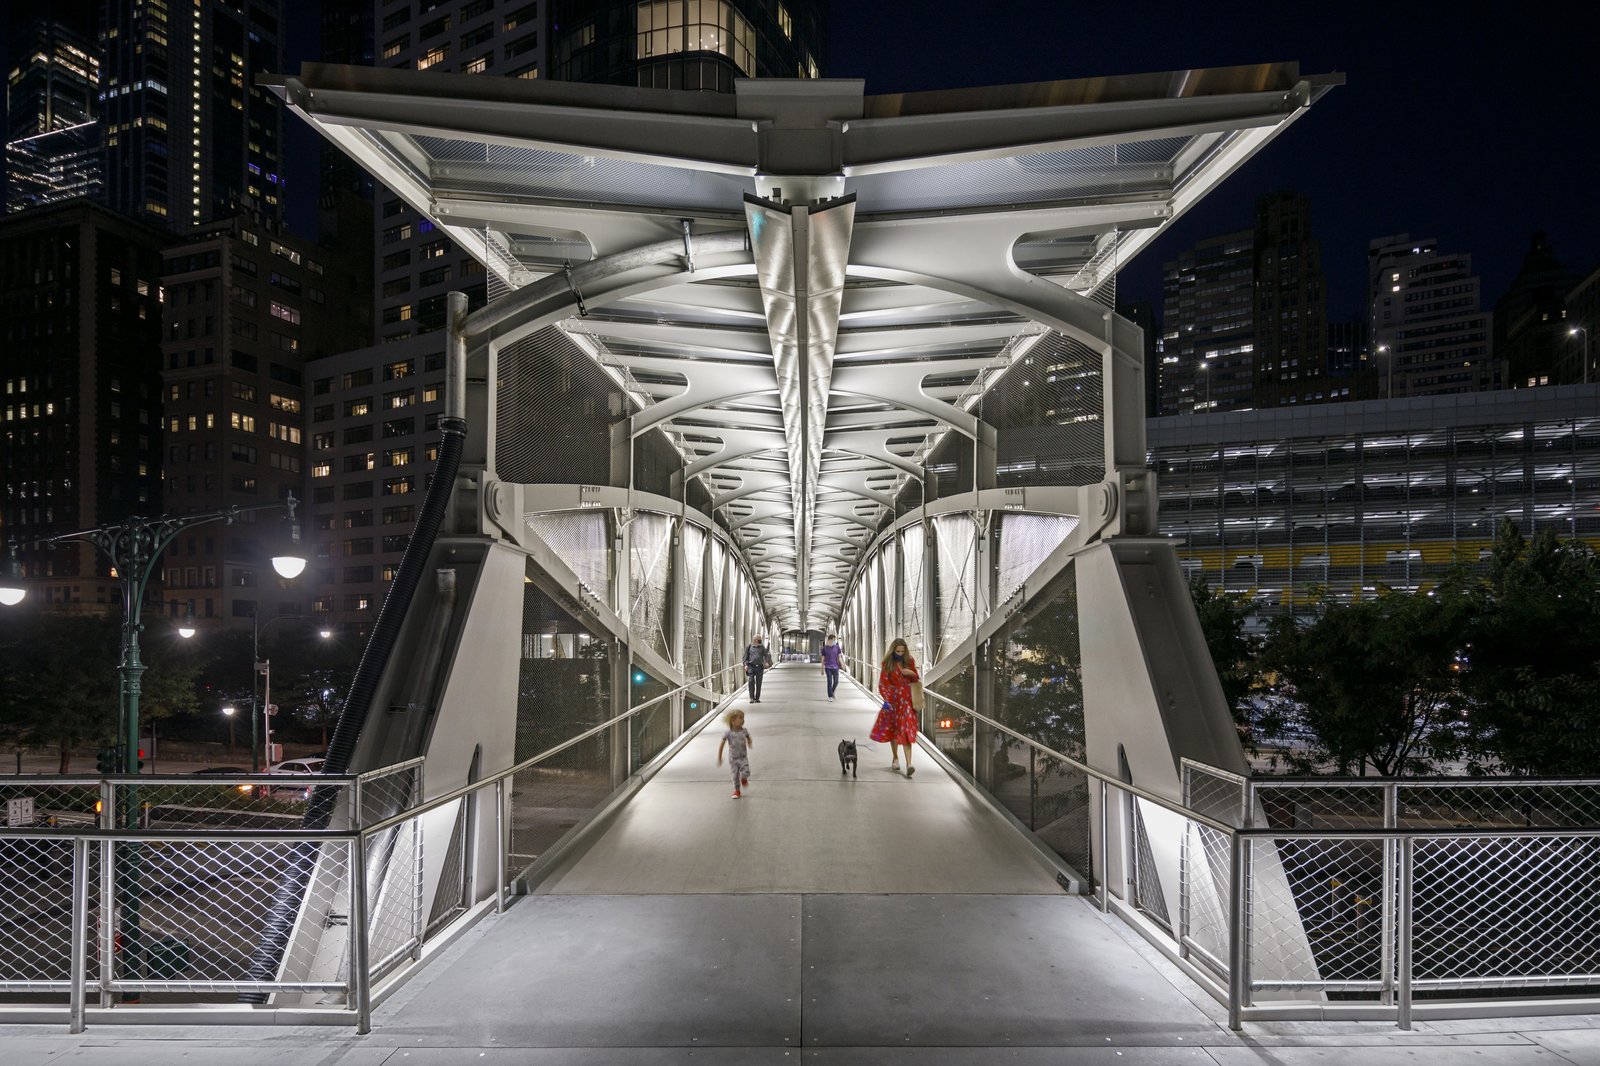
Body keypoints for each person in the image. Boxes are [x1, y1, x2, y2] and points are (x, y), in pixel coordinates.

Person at [870, 637, 920, 777]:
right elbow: (883, 683)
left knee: (906, 731)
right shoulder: (887, 664)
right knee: (894, 730)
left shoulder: (909, 661)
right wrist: (887, 699)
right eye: (897, 651)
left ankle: (909, 764)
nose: (900, 653)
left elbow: (916, 678)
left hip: (907, 702)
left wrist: (912, 673)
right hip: (893, 701)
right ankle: (895, 757)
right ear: (893, 650)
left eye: (902, 651)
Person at [717, 709, 754, 799]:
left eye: (743, 718)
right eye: (740, 718)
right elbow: (722, 744)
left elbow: (748, 737)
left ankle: (744, 778)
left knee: (745, 771)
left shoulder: (744, 731)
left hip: (743, 757)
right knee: (734, 776)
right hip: (733, 759)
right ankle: (737, 791)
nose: (743, 720)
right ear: (733, 721)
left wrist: (749, 742)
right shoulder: (728, 733)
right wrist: (719, 757)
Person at [743, 634, 772, 702]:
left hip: (759, 667)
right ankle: (751, 698)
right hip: (751, 666)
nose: (760, 640)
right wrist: (745, 665)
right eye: (758, 639)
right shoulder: (749, 646)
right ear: (755, 640)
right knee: (751, 681)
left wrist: (767, 662)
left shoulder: (762, 647)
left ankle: (757, 697)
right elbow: (745, 657)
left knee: (759, 682)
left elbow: (766, 655)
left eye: (760, 639)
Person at [820, 634, 844, 701]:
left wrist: (842, 664)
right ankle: (830, 696)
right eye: (833, 640)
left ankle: (832, 691)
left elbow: (839, 657)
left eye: (834, 640)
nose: (833, 641)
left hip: (836, 667)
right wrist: (822, 669)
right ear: (829, 640)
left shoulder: (837, 648)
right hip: (828, 667)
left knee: (836, 681)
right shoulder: (825, 648)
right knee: (829, 681)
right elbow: (822, 659)